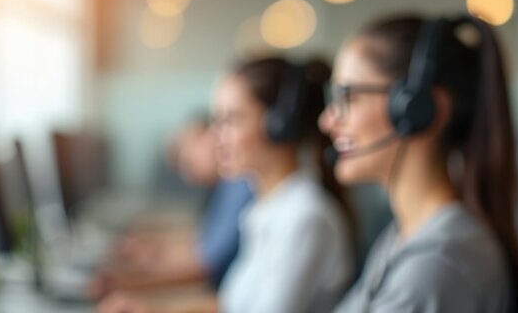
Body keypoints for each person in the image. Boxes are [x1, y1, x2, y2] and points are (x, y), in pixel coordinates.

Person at [98, 57, 354, 313]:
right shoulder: (268, 207)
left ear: (279, 125)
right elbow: (232, 305)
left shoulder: (304, 218)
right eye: (216, 122)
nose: (215, 138)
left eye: (231, 120)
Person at [322, 14, 518, 312]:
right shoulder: (406, 236)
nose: (327, 121)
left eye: (348, 97)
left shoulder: (436, 265)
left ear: (418, 109)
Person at [88, 119, 255, 299]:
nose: (186, 172)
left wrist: (124, 284)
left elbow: (202, 266)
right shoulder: (228, 185)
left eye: (186, 158)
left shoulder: (240, 183)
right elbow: (203, 242)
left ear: (204, 133)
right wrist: (154, 250)